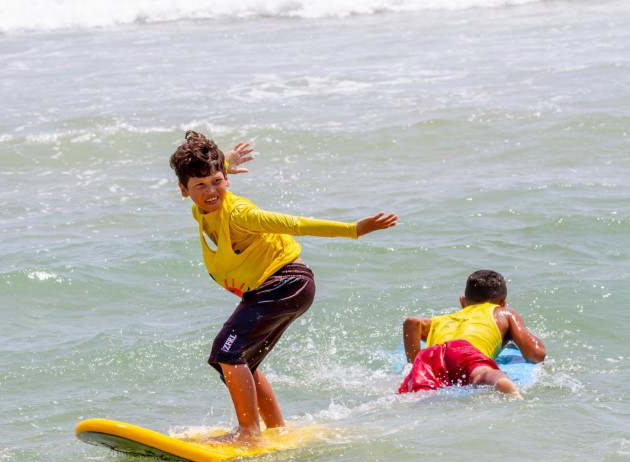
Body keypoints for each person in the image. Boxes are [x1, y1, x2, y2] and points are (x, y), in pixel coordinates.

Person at [169, 130, 398, 444]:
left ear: (227, 181)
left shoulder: (239, 214)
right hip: (279, 287)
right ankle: (276, 428)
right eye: (201, 185)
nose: (211, 191)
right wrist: (226, 162)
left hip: (285, 282)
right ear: (185, 190)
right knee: (236, 361)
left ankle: (248, 433)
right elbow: (209, 179)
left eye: (218, 181)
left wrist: (354, 230)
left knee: (227, 351)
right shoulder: (202, 210)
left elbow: (293, 224)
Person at [399, 269, 546, 399]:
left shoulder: (442, 320)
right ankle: (501, 383)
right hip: (464, 350)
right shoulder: (502, 313)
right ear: (503, 303)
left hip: (430, 355)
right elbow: (536, 354)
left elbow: (411, 323)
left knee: (420, 392)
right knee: (481, 374)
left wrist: (413, 365)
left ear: (463, 302)